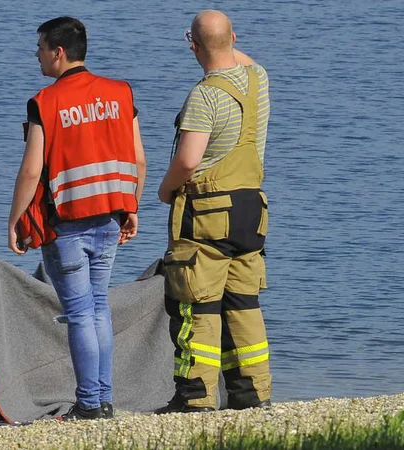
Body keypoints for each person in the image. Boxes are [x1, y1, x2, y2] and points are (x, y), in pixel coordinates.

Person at [7, 17, 146, 420]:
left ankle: (89, 403)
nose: (37, 55)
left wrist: (15, 219)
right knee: (99, 307)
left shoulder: (45, 102)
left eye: (40, 48)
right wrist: (131, 207)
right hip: (109, 218)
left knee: (80, 313)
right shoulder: (120, 93)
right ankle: (102, 398)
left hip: (66, 223)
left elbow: (32, 170)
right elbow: (137, 158)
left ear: (59, 52)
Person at [156, 10, 272, 413]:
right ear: (234, 39)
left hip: (207, 211)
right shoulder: (258, 80)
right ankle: (252, 394)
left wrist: (165, 190)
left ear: (193, 45)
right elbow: (240, 56)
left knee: (196, 303)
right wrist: (222, 42)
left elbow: (188, 161)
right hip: (251, 209)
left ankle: (195, 397)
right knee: (243, 303)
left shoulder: (204, 96)